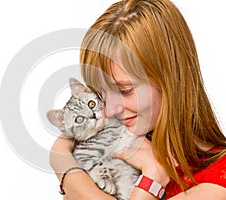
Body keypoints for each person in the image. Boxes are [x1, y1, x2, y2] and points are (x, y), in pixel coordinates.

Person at [49, 0, 226, 199]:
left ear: (170, 80)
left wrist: (152, 176)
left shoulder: (218, 180)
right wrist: (62, 160)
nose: (109, 110)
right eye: (102, 94)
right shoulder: (115, 154)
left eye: (125, 90)